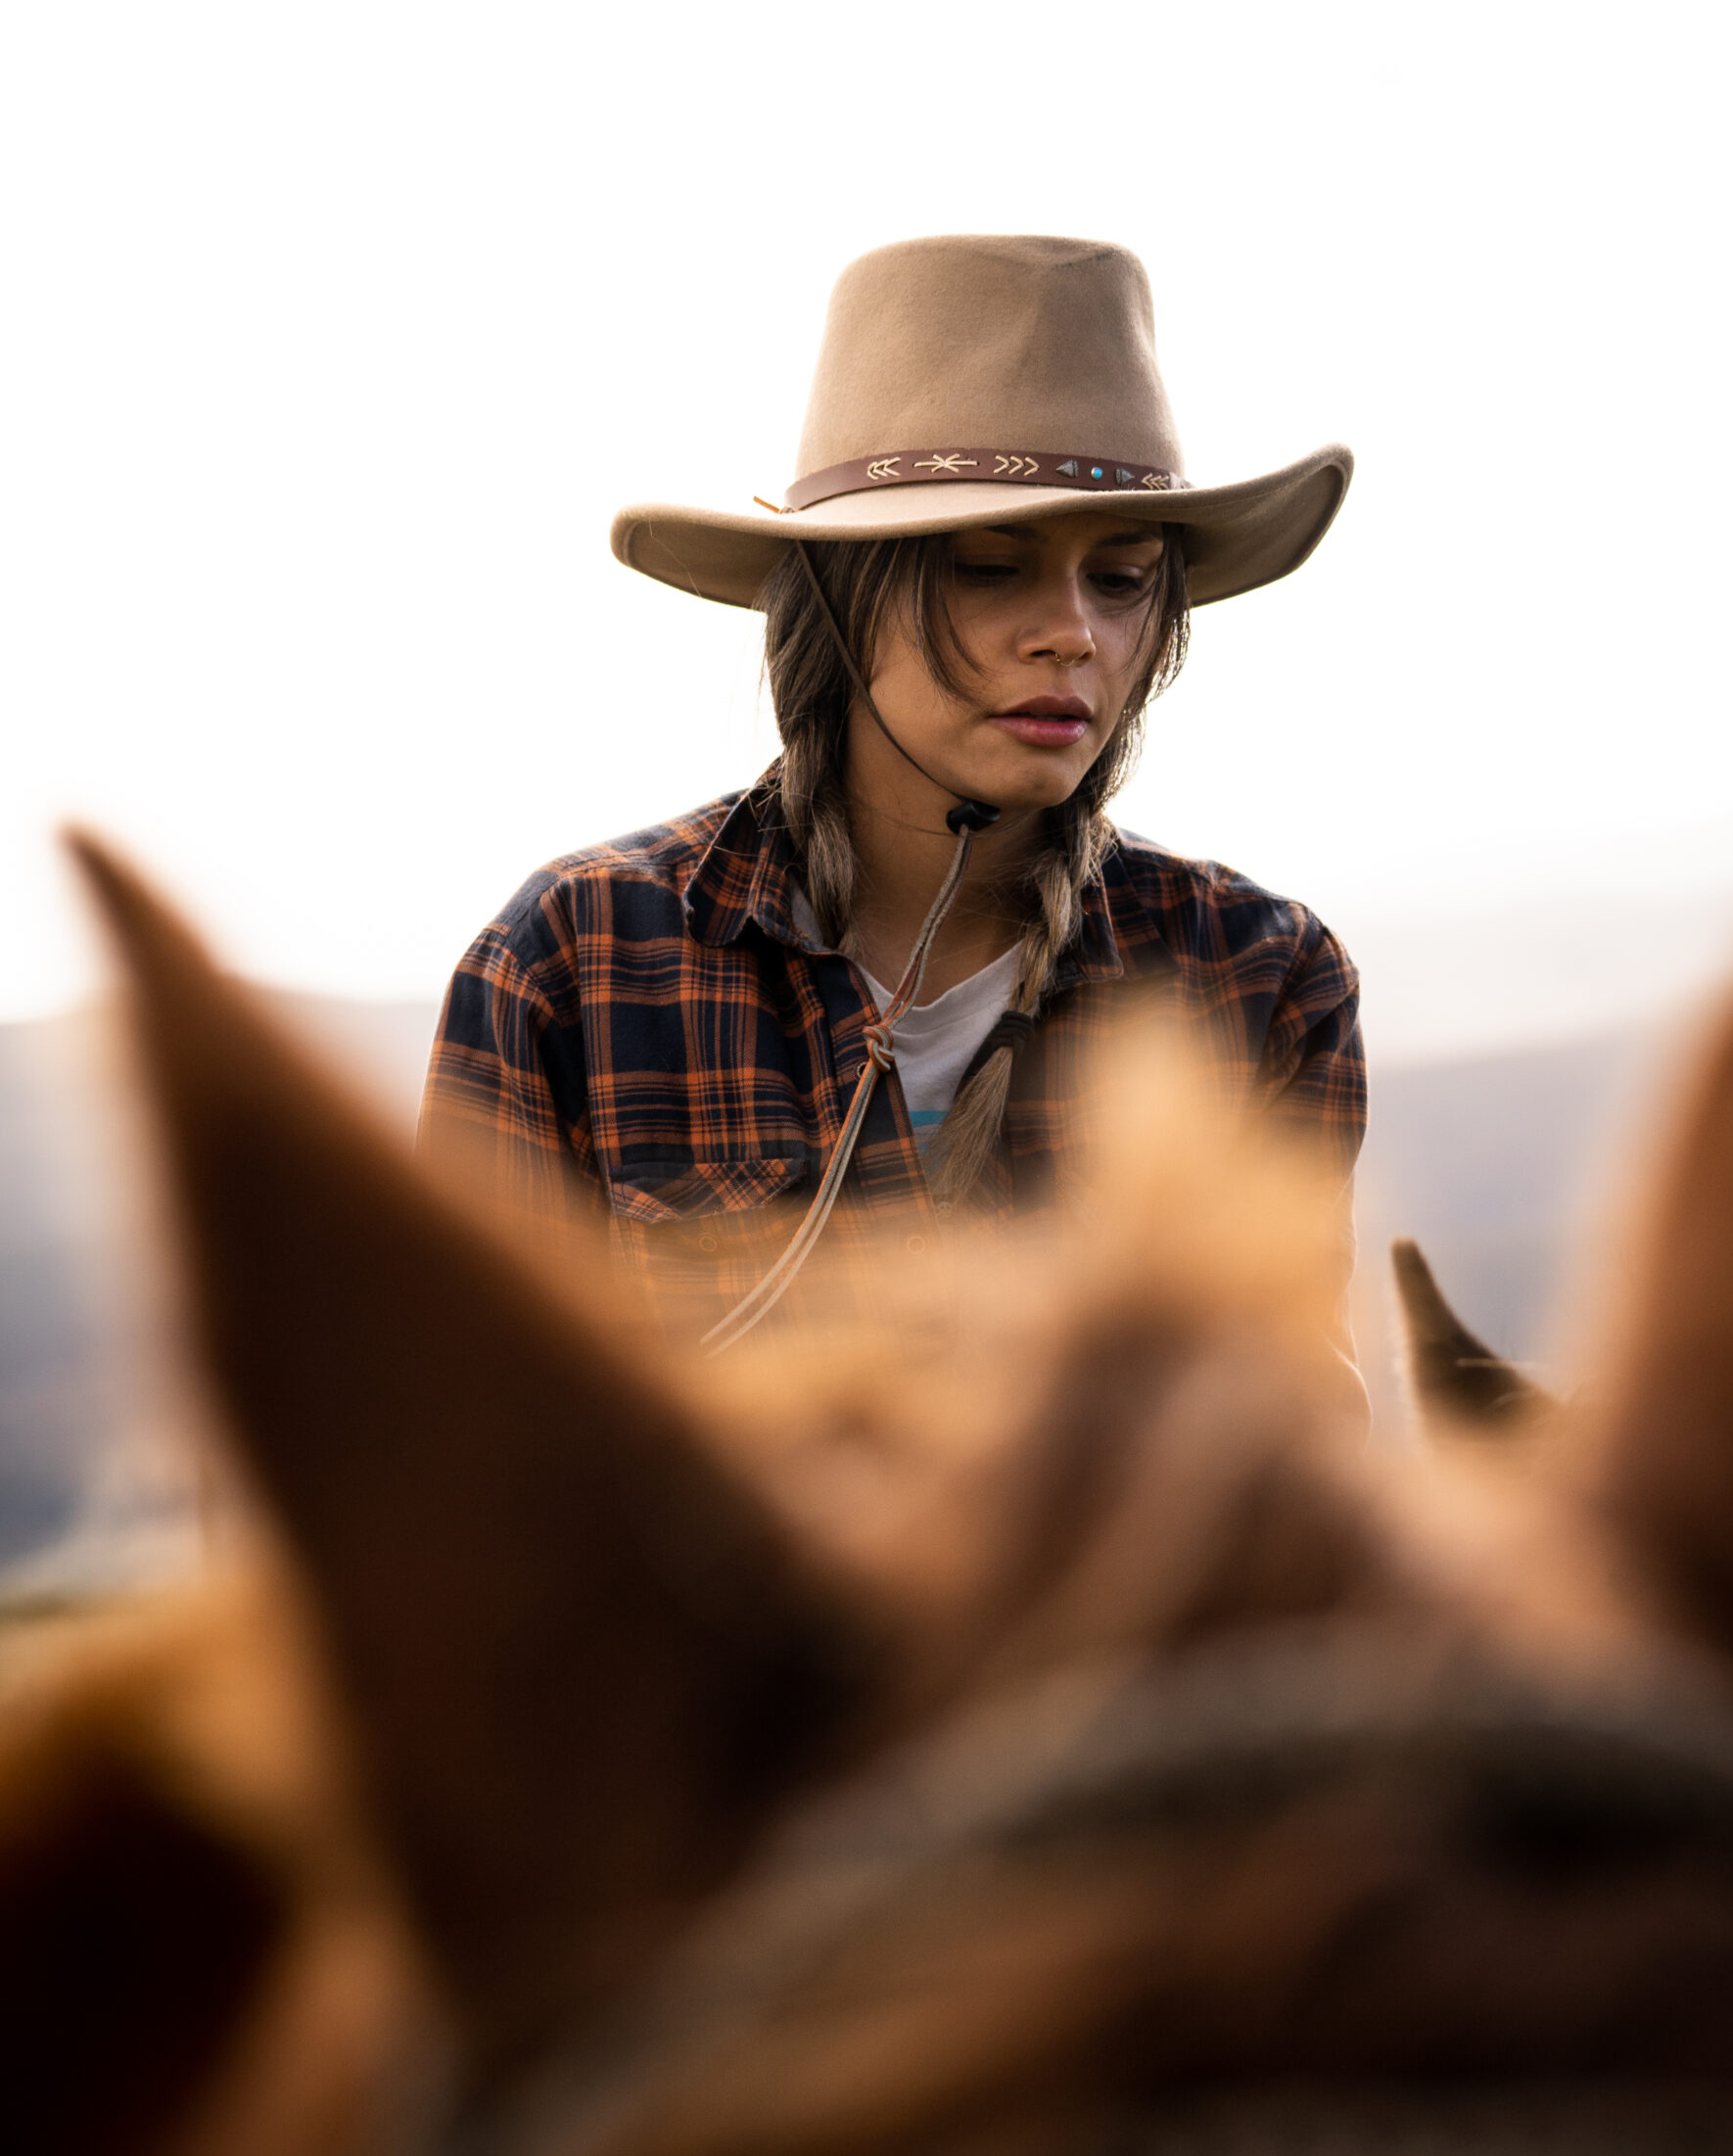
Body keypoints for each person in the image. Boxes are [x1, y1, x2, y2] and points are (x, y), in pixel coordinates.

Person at [420, 234, 1366, 1389]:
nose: (1072, 631)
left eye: (1119, 580)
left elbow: (1297, 1454)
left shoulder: (1256, 979)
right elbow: (461, 1441)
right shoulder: (577, 964)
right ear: (835, 593)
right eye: (984, 564)